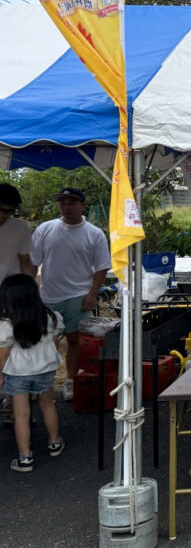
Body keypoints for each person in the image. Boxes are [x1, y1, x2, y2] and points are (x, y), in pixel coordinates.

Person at [29, 187, 110, 401]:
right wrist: (29, 291)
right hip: (48, 296)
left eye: (72, 203)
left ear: (83, 205)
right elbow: (33, 262)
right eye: (63, 203)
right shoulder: (45, 229)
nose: (67, 207)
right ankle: (44, 383)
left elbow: (102, 267)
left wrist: (93, 294)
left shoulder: (94, 233)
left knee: (76, 341)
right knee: (47, 341)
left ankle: (70, 381)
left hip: (79, 296)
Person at [0, 273, 66, 471]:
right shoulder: (50, 316)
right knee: (48, 406)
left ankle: (25, 457)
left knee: (21, 415)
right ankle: (54, 443)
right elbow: (55, 342)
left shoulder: (7, 324)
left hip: (17, 373)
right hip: (45, 369)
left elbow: (3, 353)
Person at [0, 184, 33, 282]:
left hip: (10, 288)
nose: (4, 215)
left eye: (10, 211)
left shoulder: (21, 227)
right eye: (2, 210)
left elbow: (25, 261)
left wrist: (29, 285)